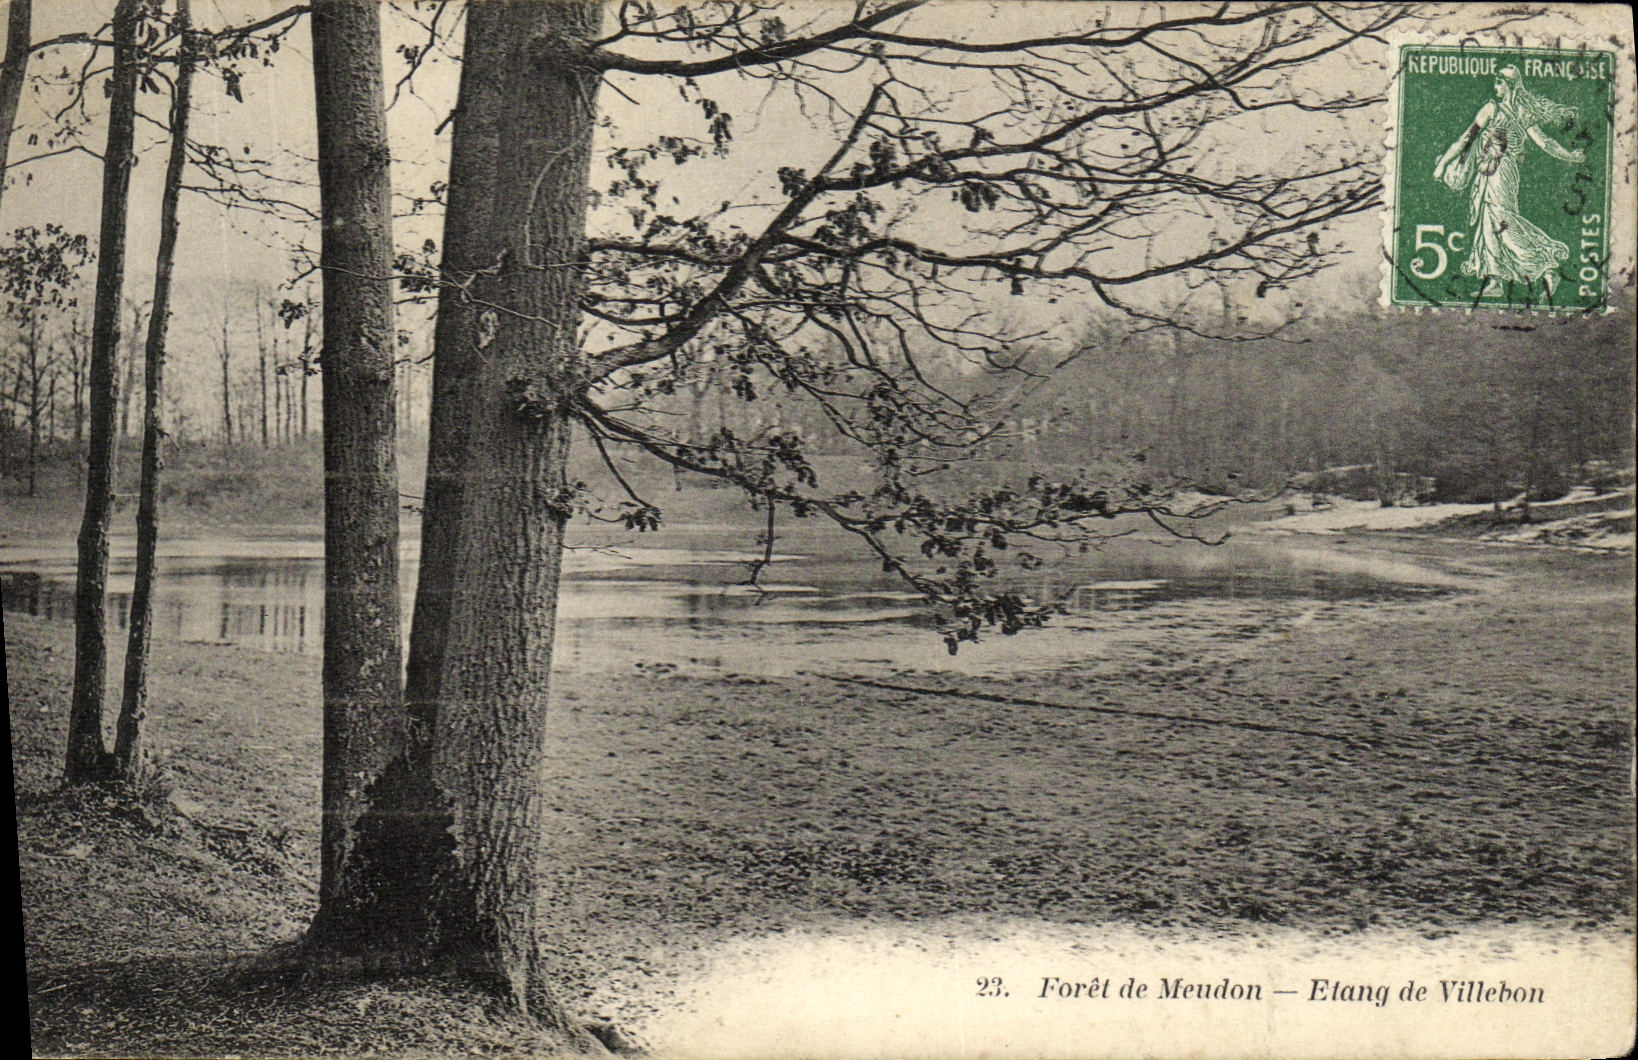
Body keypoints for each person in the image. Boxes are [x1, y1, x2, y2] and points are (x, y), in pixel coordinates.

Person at [1432, 65, 1585, 297]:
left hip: (1501, 172)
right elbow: (1467, 138)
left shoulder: (1506, 111)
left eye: (1499, 83)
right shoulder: (1501, 109)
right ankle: (1495, 281)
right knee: (1488, 222)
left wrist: (1569, 156)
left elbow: (1545, 142)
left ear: (1510, 85)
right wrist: (1444, 163)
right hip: (1490, 172)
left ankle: (1547, 269)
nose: (1495, 88)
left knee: (1502, 221)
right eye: (1495, 83)